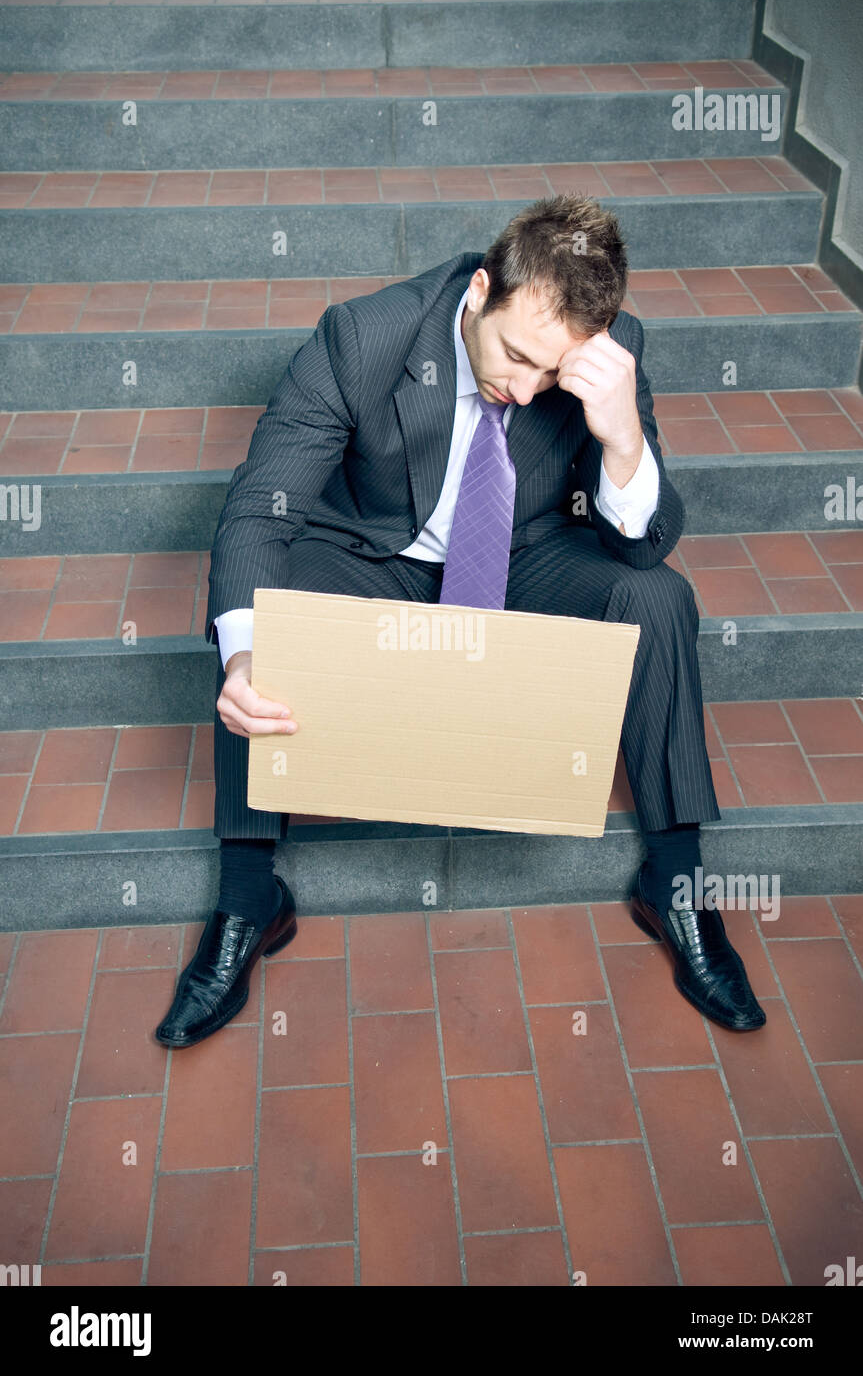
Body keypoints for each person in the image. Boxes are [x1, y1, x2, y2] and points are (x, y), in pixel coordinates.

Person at [155, 193, 766, 1049]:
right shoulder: (363, 337)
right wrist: (243, 655)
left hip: (525, 555)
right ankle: (249, 891)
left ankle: (675, 880)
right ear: (479, 290)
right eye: (516, 356)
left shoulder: (612, 350)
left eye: (550, 375)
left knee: (657, 595)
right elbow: (261, 508)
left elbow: (639, 546)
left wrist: (622, 440)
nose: (524, 390)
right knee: (266, 608)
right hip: (376, 554)